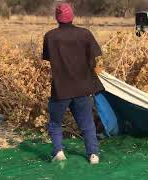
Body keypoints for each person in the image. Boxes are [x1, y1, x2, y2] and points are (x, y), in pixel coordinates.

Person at [42, 2, 104, 165]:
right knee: (87, 123)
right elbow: (96, 59)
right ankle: (93, 155)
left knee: (55, 123)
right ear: (72, 16)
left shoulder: (50, 36)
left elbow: (49, 59)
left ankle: (59, 152)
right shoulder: (85, 34)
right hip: (83, 87)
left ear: (57, 17)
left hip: (60, 89)